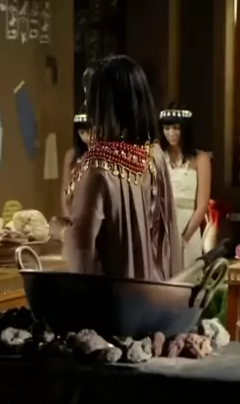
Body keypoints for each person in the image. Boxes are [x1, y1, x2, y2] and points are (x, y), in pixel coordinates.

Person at [64, 55, 181, 280]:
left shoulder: (98, 166)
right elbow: (163, 237)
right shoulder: (153, 154)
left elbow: (82, 246)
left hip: (111, 293)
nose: (87, 105)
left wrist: (61, 233)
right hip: (151, 287)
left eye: (91, 97)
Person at [159, 103, 212, 267]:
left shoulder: (201, 159)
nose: (171, 133)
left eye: (176, 128)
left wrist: (183, 239)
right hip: (161, 226)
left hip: (188, 225)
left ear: (186, 129)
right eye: (166, 128)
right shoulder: (158, 158)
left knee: (187, 273)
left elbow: (202, 206)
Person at [59, 112, 92, 217]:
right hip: (74, 210)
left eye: (89, 131)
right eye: (82, 132)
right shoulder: (71, 155)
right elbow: (64, 190)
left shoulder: (102, 156)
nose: (86, 135)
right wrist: (66, 216)